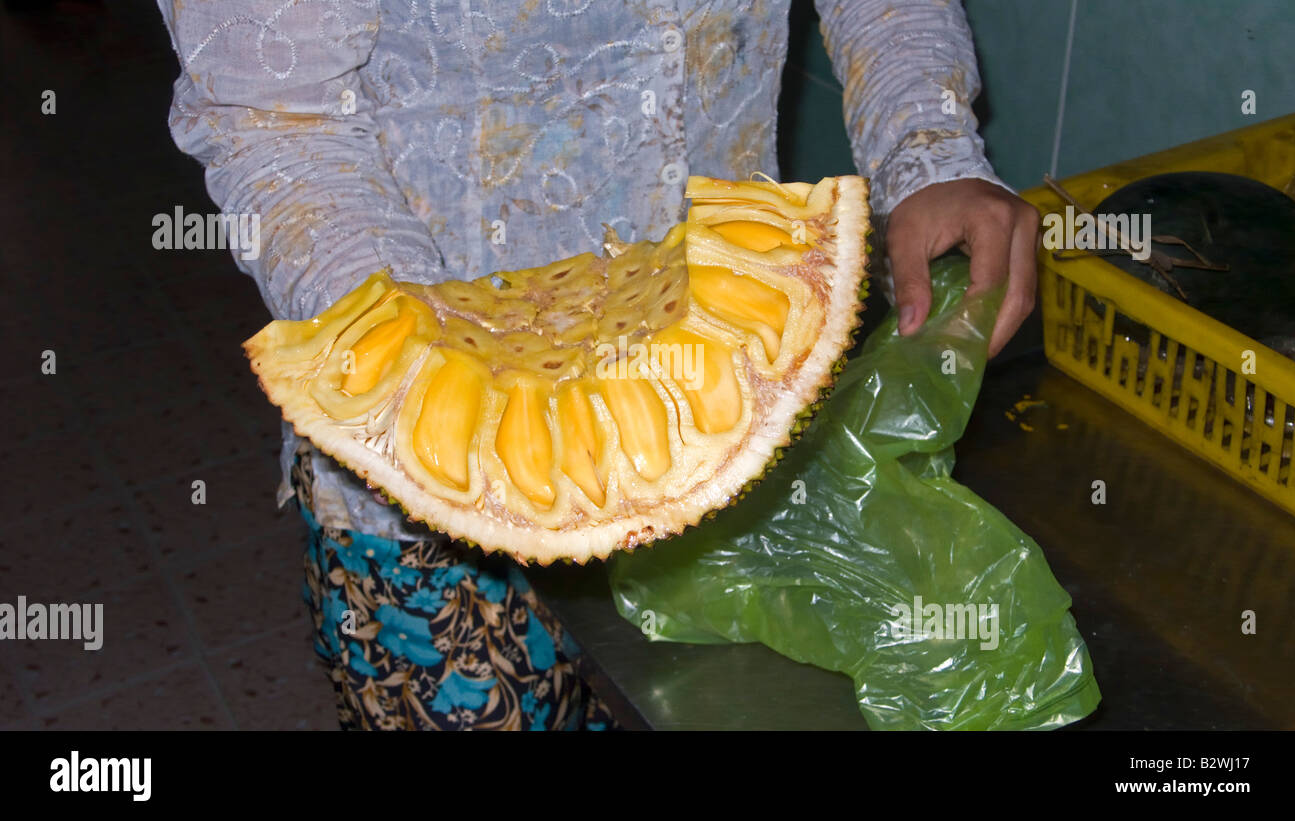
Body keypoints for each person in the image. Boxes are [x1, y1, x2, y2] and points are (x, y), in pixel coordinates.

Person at [157, 0, 1040, 730]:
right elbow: (270, 115)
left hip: (732, 416)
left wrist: (928, 146)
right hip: (436, 473)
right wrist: (446, 371)